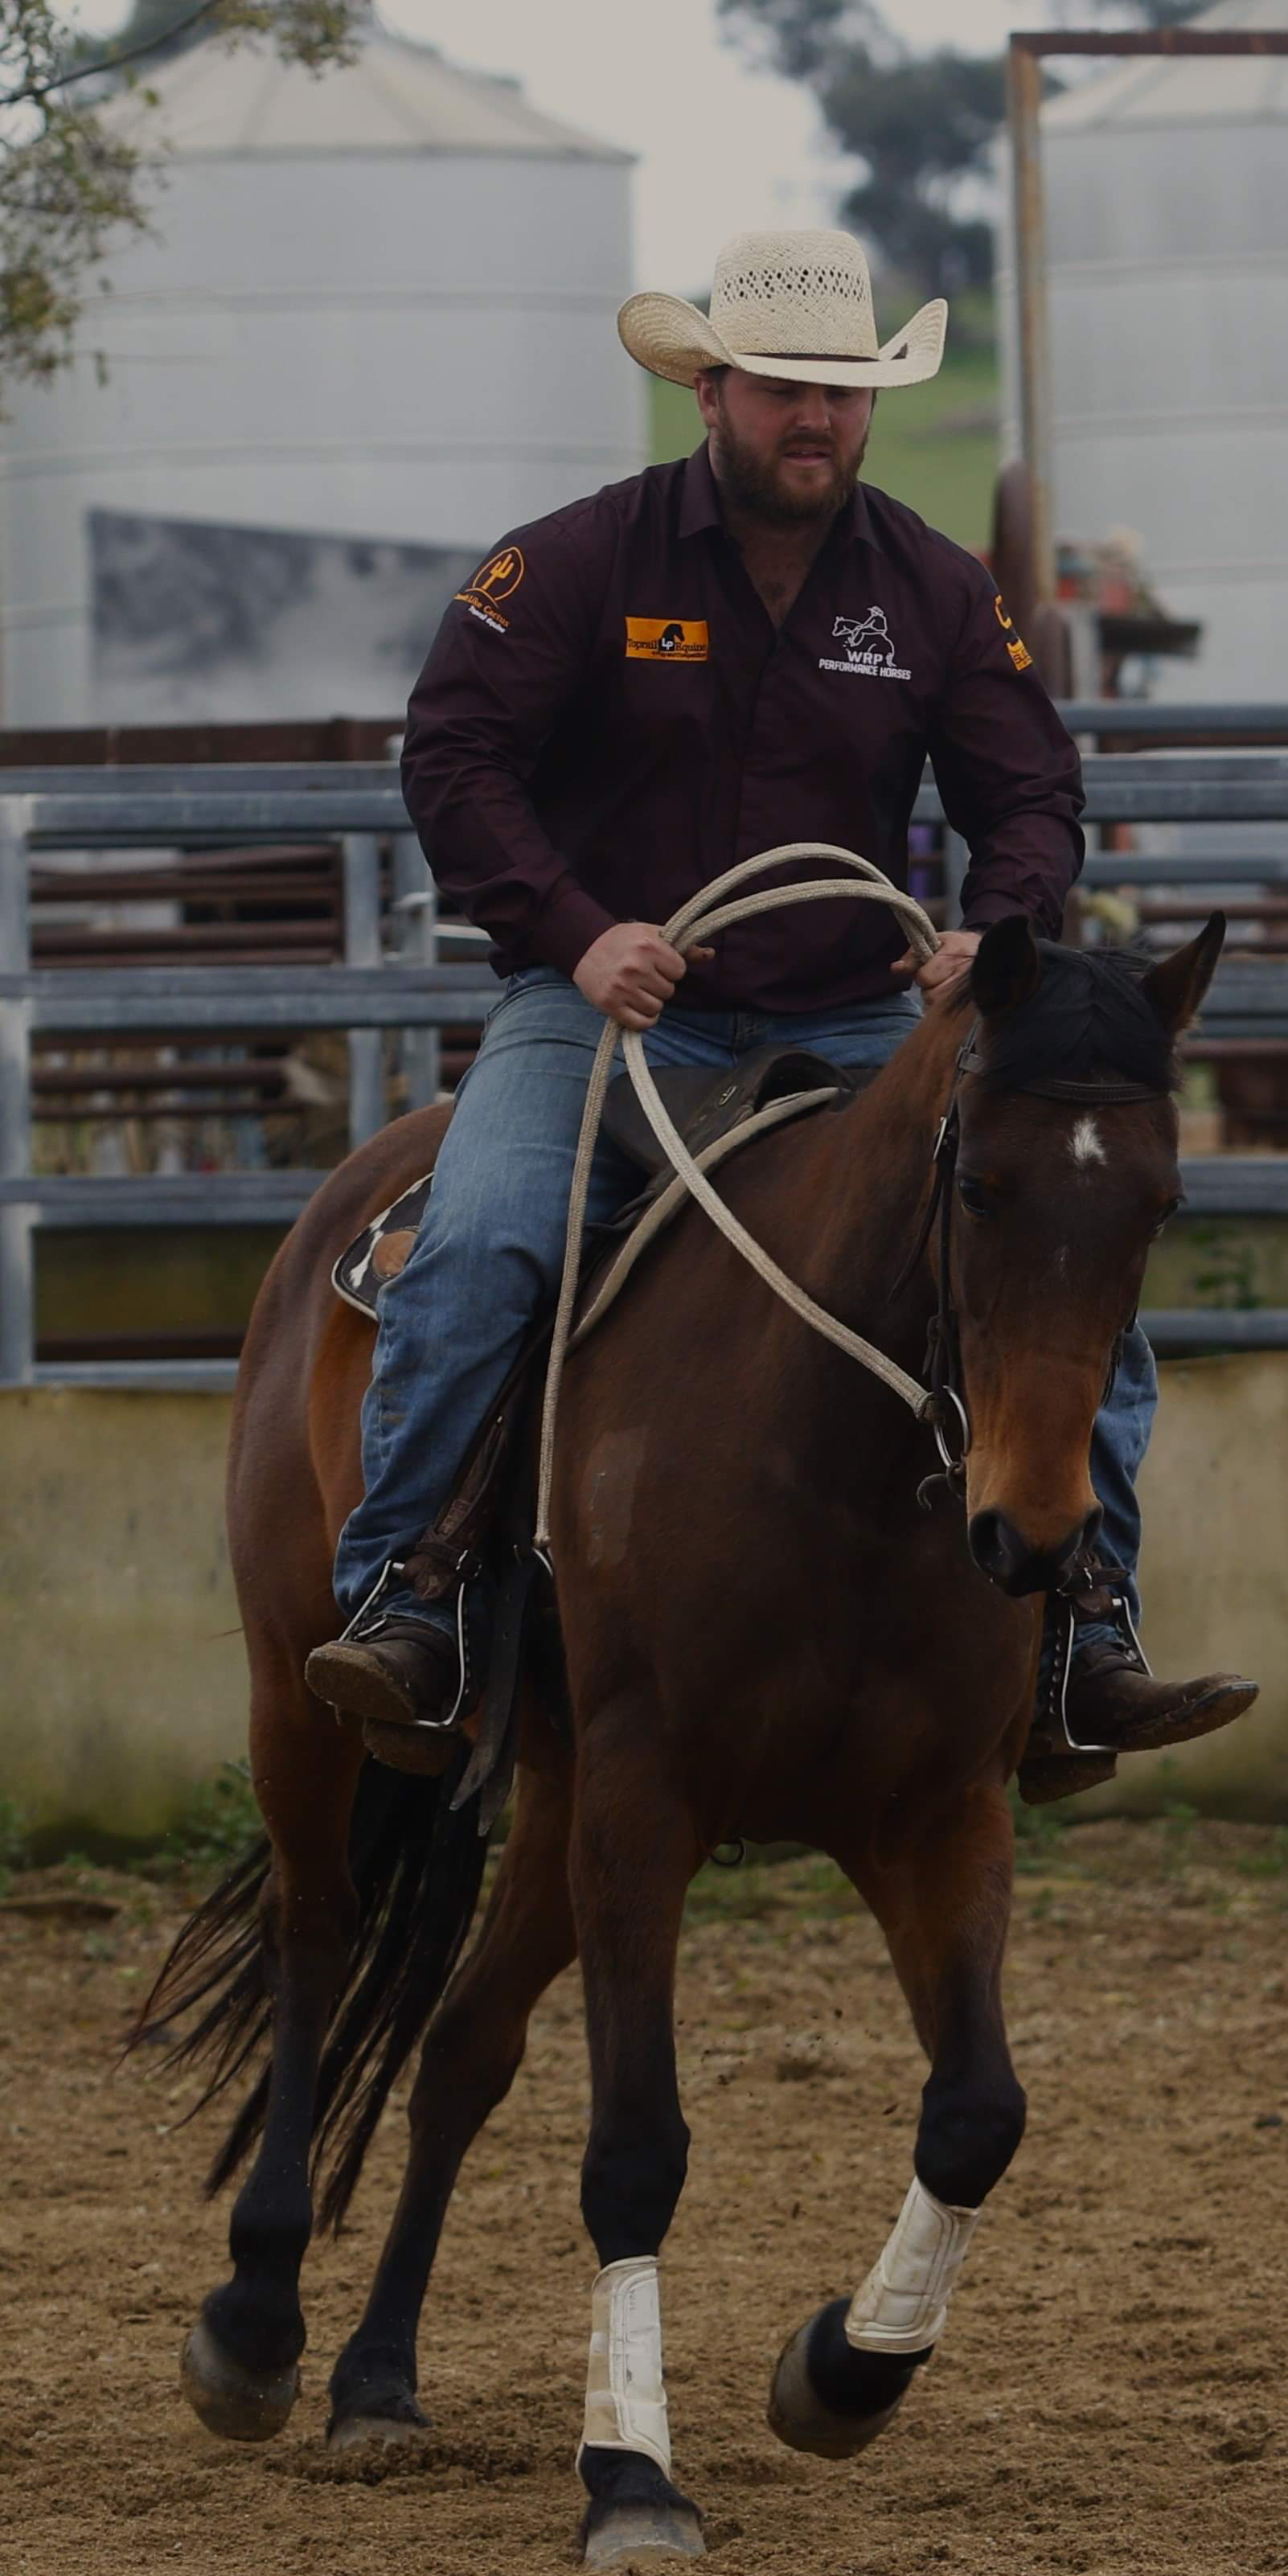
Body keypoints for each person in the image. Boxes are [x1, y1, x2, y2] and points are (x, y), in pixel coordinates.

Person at [305, 228, 1253, 1778]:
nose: (813, 417)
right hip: (606, 1013)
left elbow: (1030, 791)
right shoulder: (578, 561)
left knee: (1058, 1253)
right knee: (479, 1242)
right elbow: (455, 756)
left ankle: (1083, 1627)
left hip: (850, 1017)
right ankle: (414, 1596)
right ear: (710, 392)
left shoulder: (935, 589)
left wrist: (995, 931)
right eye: (778, 388)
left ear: (869, 406)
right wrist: (576, 932)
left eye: (841, 390)